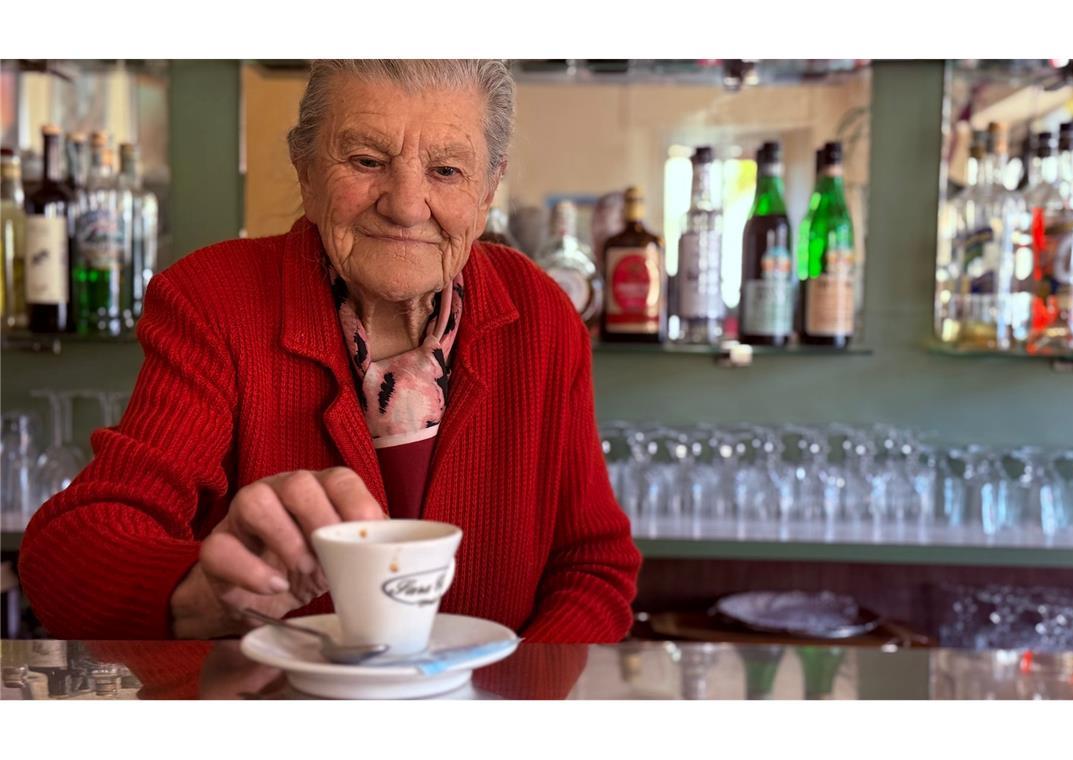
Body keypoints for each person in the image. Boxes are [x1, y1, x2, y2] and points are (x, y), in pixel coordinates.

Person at [18, 60, 641, 642]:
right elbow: (69, 554)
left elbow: (592, 567)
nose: (404, 205)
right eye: (366, 160)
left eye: (447, 170)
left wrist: (516, 709)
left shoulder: (540, 313)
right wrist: (197, 593)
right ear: (306, 169)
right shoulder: (215, 300)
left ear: (487, 191)